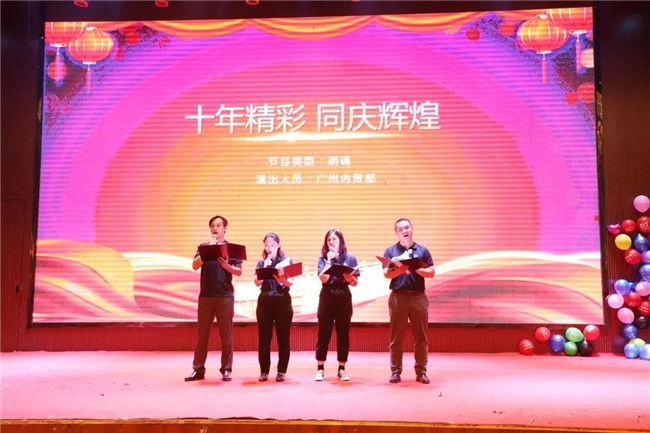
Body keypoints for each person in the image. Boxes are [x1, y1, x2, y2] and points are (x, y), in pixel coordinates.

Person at [185, 215, 243, 382]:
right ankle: (198, 369)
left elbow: (239, 271)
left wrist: (226, 265)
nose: (215, 228)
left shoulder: (231, 248)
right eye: (212, 226)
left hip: (225, 296)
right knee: (202, 335)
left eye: (218, 225)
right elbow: (194, 265)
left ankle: (226, 369)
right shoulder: (204, 247)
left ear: (225, 228)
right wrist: (208, 251)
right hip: (206, 296)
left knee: (226, 335)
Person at [382, 218, 435, 384]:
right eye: (401, 229)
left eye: (407, 227)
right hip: (398, 297)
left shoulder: (422, 250)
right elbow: (386, 273)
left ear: (412, 229)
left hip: (418, 296)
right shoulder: (391, 251)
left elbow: (432, 272)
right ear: (396, 233)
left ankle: (421, 371)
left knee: (421, 337)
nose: (405, 231)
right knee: (396, 337)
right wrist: (399, 271)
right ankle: (395, 371)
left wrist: (416, 268)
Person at [315, 229, 360, 381]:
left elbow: (355, 282)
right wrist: (329, 261)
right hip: (327, 296)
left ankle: (341, 369)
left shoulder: (350, 258)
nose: (331, 242)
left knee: (343, 333)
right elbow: (323, 279)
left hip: (343, 296)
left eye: (334, 239)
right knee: (323, 332)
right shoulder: (323, 258)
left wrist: (349, 279)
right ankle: (320, 368)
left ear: (340, 240)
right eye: (329, 240)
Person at [253, 233, 294, 383]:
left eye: (272, 245)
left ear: (278, 245)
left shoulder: (287, 261)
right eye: (266, 245)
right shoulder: (261, 262)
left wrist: (282, 279)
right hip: (265, 302)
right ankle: (264, 371)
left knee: (283, 338)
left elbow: (290, 282)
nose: (269, 248)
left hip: (282, 300)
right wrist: (265, 268)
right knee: (264, 338)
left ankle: (281, 371)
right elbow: (256, 282)